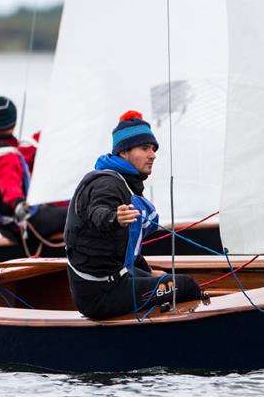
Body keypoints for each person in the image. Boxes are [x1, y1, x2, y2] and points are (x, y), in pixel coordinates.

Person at [64, 110, 206, 319]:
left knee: (166, 278)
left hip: (113, 279)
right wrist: (114, 217)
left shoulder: (123, 183)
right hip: (100, 293)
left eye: (153, 149)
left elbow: (127, 249)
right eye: (145, 148)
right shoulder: (107, 184)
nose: (153, 155)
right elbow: (98, 212)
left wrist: (147, 273)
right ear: (123, 152)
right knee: (185, 286)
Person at [0, 95, 67, 246]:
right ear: (14, 122)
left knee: (62, 204)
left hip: (6, 227)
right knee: (80, 210)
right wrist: (19, 204)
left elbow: (15, 161)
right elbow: (10, 187)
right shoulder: (6, 159)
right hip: (25, 227)